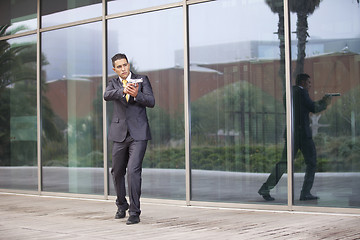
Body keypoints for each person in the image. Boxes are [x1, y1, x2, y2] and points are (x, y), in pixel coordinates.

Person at [258, 73, 331, 201]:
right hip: (303, 135)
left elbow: (304, 107)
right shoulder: (302, 92)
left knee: (283, 163)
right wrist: (325, 102)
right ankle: (305, 193)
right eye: (308, 82)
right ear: (302, 82)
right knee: (311, 162)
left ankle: (266, 188)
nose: (310, 85)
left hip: (291, 133)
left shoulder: (289, 93)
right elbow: (313, 107)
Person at [104, 53, 155, 224]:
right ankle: (121, 204)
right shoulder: (113, 83)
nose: (123, 68)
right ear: (115, 69)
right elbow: (106, 95)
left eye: (125, 65)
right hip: (119, 134)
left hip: (139, 133)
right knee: (117, 171)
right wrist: (122, 91)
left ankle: (135, 212)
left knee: (133, 171)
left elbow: (151, 101)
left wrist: (136, 94)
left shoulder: (142, 79)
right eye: (119, 66)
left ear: (128, 64)